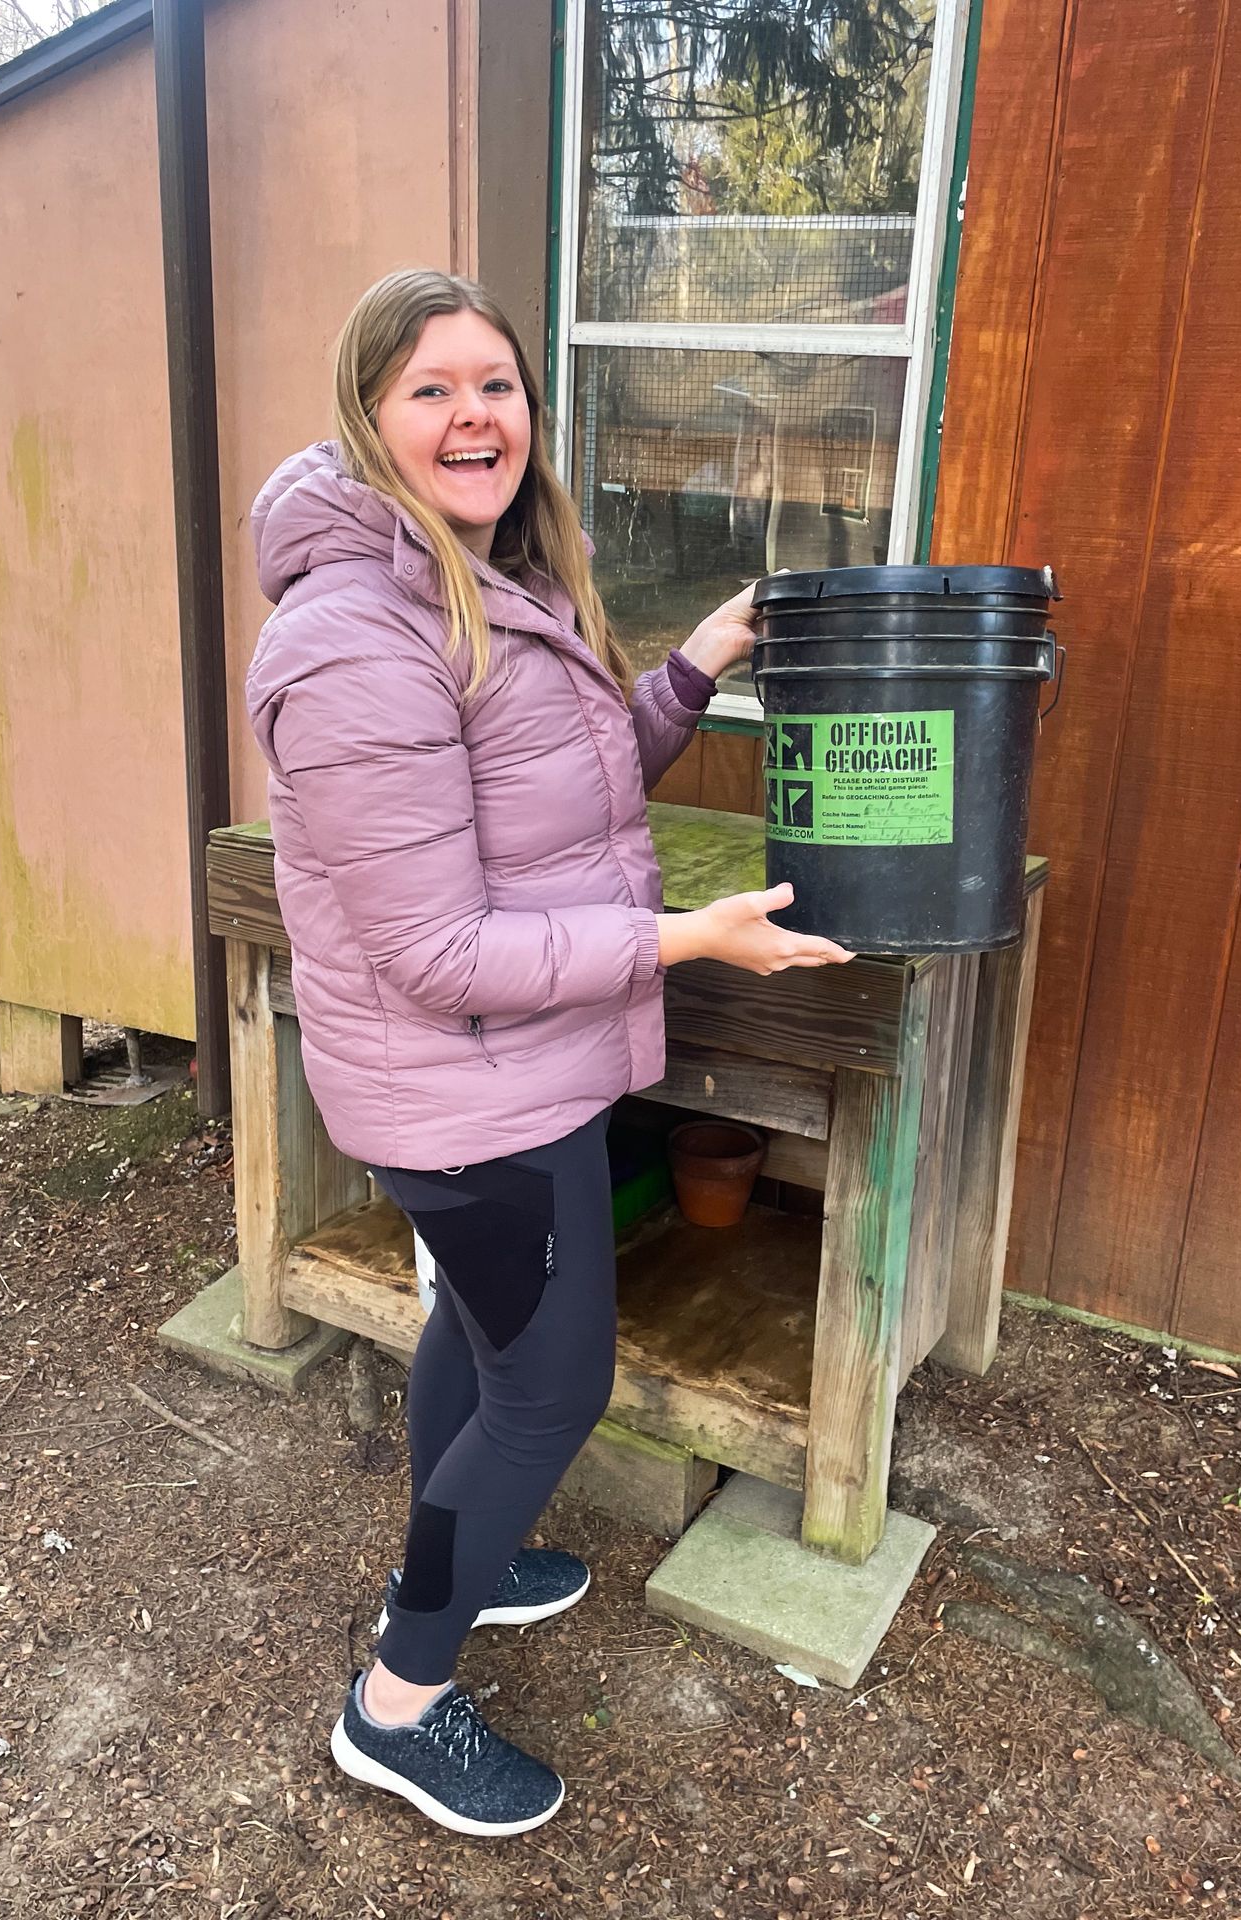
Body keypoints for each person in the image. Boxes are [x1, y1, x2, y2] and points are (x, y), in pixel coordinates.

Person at [244, 269, 854, 1838]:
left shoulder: (476, 578)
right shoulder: (355, 636)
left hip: (517, 1071)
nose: (475, 416)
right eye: (433, 388)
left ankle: (462, 1556)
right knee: (552, 1384)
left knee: (490, 1341)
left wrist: (695, 663)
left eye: (497, 384)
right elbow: (438, 950)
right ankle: (398, 1702)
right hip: (462, 1089)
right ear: (369, 417)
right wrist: (689, 942)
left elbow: (562, 792)